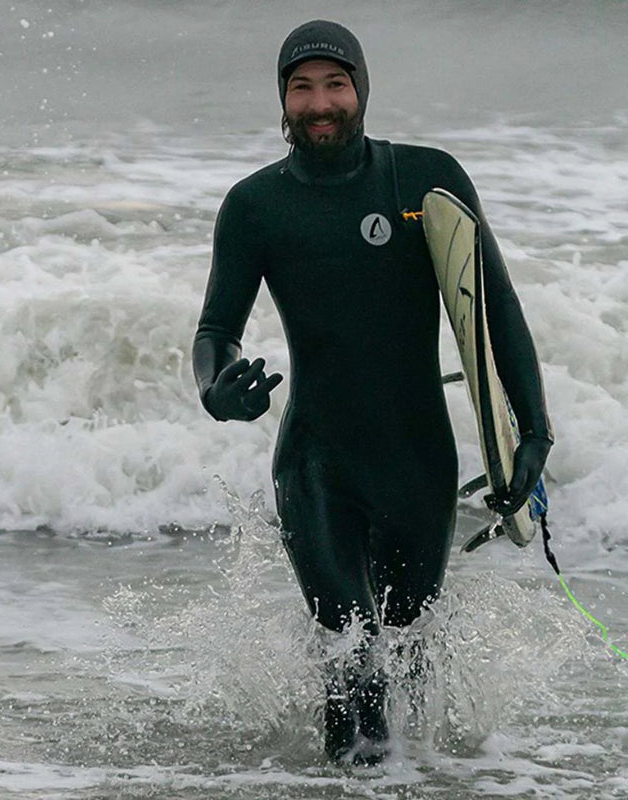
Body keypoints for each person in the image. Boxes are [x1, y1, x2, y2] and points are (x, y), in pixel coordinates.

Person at [192, 19, 552, 765]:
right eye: (301, 88)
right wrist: (217, 388)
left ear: (361, 89)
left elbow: (496, 313)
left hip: (417, 465)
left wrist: (535, 432)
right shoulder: (255, 206)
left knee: (411, 661)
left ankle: (414, 779)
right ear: (282, 100)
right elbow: (215, 332)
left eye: (336, 84)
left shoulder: (426, 181)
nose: (320, 103)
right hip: (315, 465)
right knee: (352, 661)